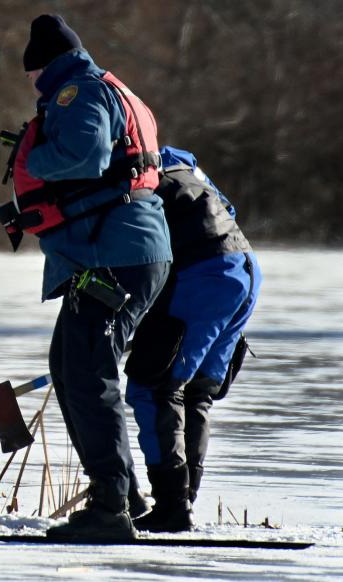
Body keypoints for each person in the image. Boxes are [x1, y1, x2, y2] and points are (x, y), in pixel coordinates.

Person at [0, 14, 172, 540]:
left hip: (115, 255)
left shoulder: (77, 92)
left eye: (31, 74)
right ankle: (125, 495)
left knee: (87, 371)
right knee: (71, 366)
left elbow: (85, 155)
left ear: (43, 66)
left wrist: (31, 157)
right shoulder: (105, 86)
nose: (30, 84)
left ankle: (109, 507)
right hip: (121, 252)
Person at [125, 146, 261, 532]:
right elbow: (228, 212)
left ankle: (171, 506)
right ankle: (182, 502)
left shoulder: (129, 173)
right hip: (244, 270)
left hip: (203, 277)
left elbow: (134, 244)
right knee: (196, 390)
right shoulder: (182, 163)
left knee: (153, 387)